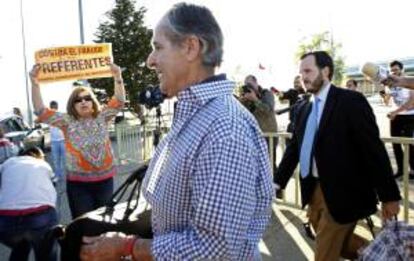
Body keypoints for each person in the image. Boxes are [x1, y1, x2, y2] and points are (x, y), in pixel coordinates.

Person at [80, 3, 274, 261]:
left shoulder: (225, 130)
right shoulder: (198, 115)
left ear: (191, 47)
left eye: (158, 47)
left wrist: (127, 247)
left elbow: (215, 250)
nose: (150, 60)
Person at [274, 51, 401, 260]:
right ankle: (379, 256)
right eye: (300, 72)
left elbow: (373, 150)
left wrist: (389, 195)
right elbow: (295, 148)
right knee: (342, 246)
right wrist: (277, 182)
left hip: (345, 192)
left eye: (308, 71)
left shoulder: (351, 101)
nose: (303, 77)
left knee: (324, 253)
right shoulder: (304, 108)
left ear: (325, 71)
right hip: (313, 190)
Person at [30, 63, 125, 219]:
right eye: (78, 100)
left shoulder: (103, 116)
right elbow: (40, 110)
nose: (83, 102)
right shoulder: (66, 121)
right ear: (72, 105)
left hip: (105, 182)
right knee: (84, 224)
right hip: (79, 186)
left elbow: (120, 101)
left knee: (105, 222)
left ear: (93, 102)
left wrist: (117, 76)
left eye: (87, 98)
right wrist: (34, 83)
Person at [0, 146, 58, 261]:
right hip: (40, 219)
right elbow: (54, 184)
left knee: (20, 246)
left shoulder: (7, 163)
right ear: (38, 156)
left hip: (6, 222)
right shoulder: (43, 165)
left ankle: (22, 244)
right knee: (46, 251)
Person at [240, 74, 278, 177]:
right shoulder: (248, 99)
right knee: (256, 166)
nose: (249, 87)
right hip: (255, 136)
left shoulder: (267, 94)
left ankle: (276, 189)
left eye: (250, 84)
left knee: (270, 165)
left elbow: (268, 110)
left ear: (256, 83)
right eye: (246, 85)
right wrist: (242, 102)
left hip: (269, 135)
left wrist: (255, 99)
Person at [384, 60, 414, 179]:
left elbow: (412, 102)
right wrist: (385, 96)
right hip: (396, 117)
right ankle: (401, 170)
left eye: (396, 69)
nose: (394, 72)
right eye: (392, 70)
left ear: (402, 69)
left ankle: (413, 170)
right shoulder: (391, 84)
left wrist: (395, 112)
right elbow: (387, 101)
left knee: (409, 144)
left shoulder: (409, 81)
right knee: (395, 143)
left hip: (409, 116)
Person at [49, 101, 66, 181]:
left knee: (65, 160)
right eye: (52, 107)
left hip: (63, 140)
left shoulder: (61, 115)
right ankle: (57, 176)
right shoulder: (48, 116)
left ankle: (69, 177)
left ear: (57, 107)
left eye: (54, 106)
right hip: (54, 141)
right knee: (56, 160)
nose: (53, 108)